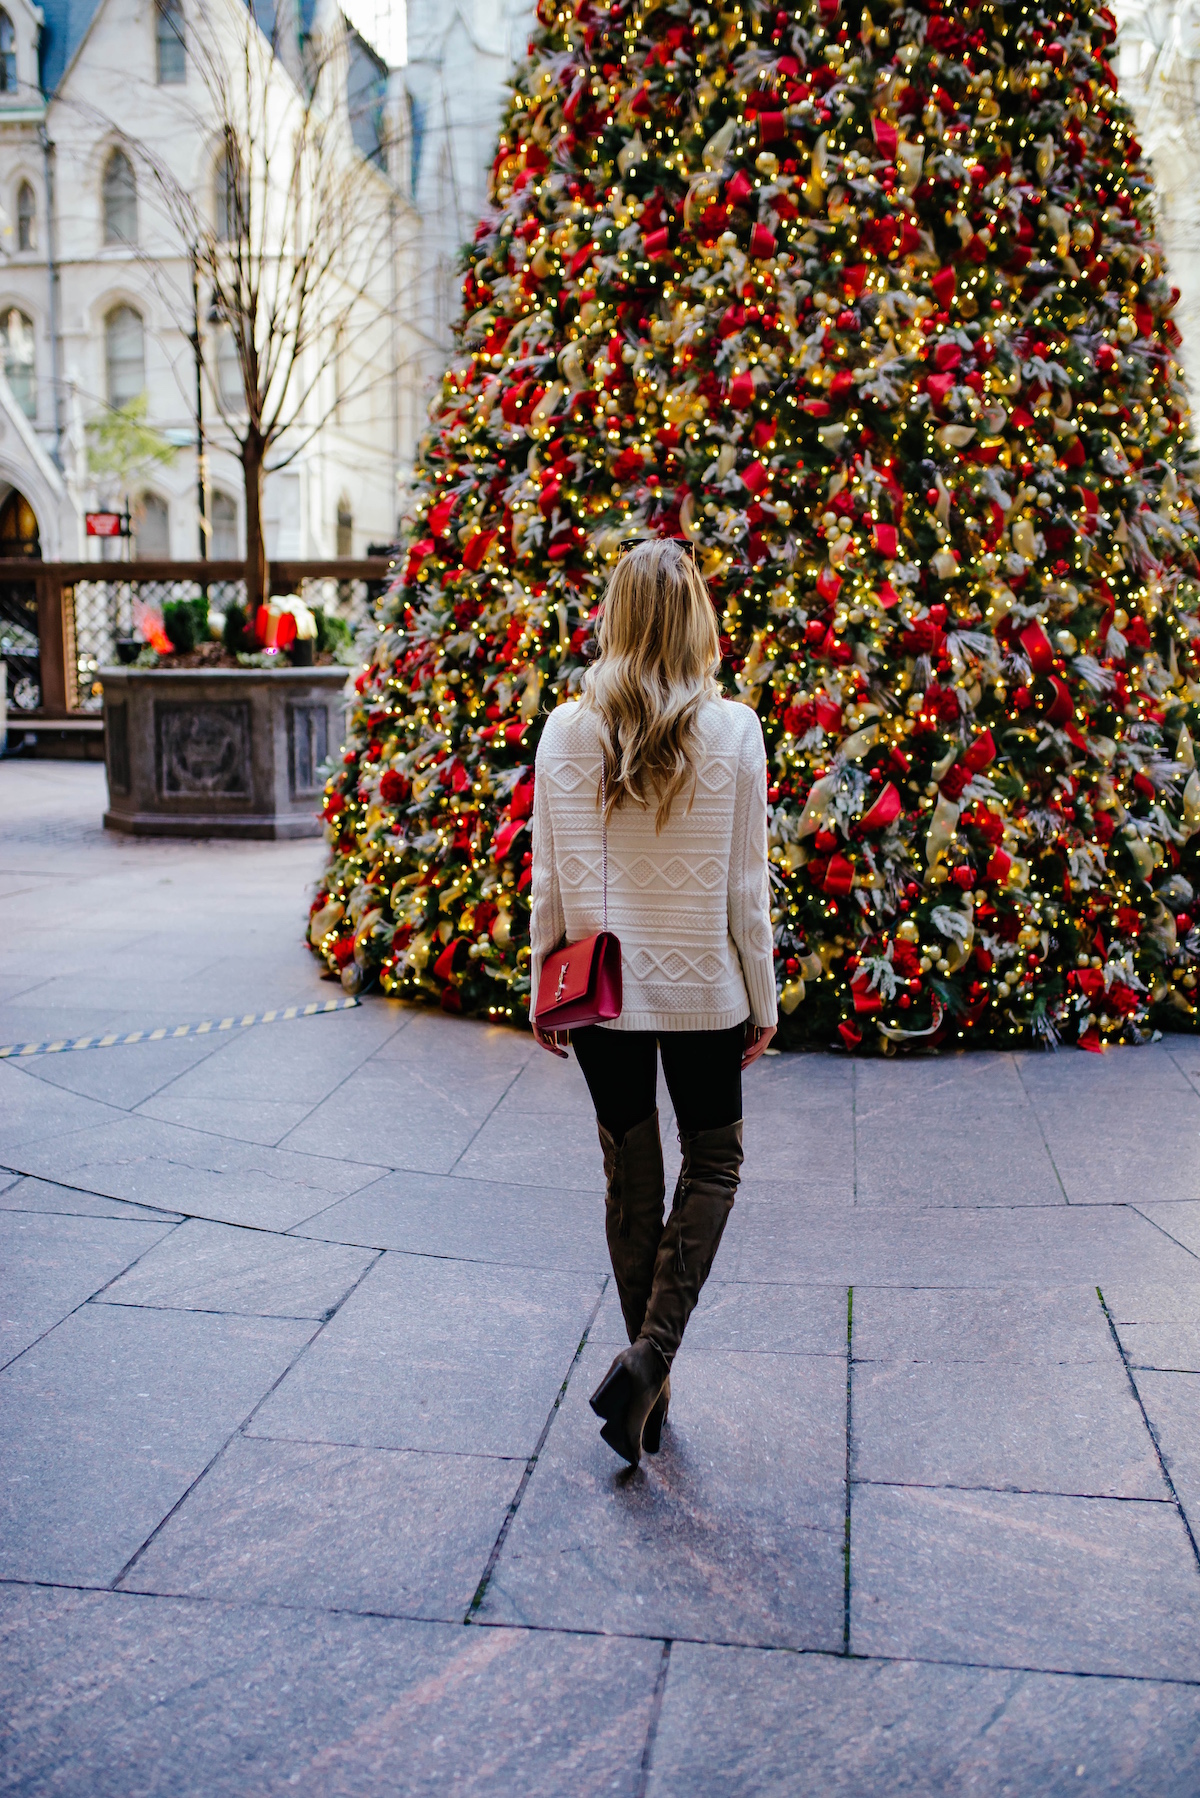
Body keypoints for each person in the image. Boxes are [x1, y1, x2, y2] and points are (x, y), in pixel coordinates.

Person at [529, 538, 777, 1468]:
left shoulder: (565, 729)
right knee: (713, 1165)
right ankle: (649, 1367)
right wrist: (763, 993)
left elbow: (550, 877)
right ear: (697, 621)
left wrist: (541, 985)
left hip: (601, 989)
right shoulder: (736, 730)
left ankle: (649, 1392)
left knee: (629, 1176)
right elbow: (746, 888)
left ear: (616, 617)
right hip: (706, 989)